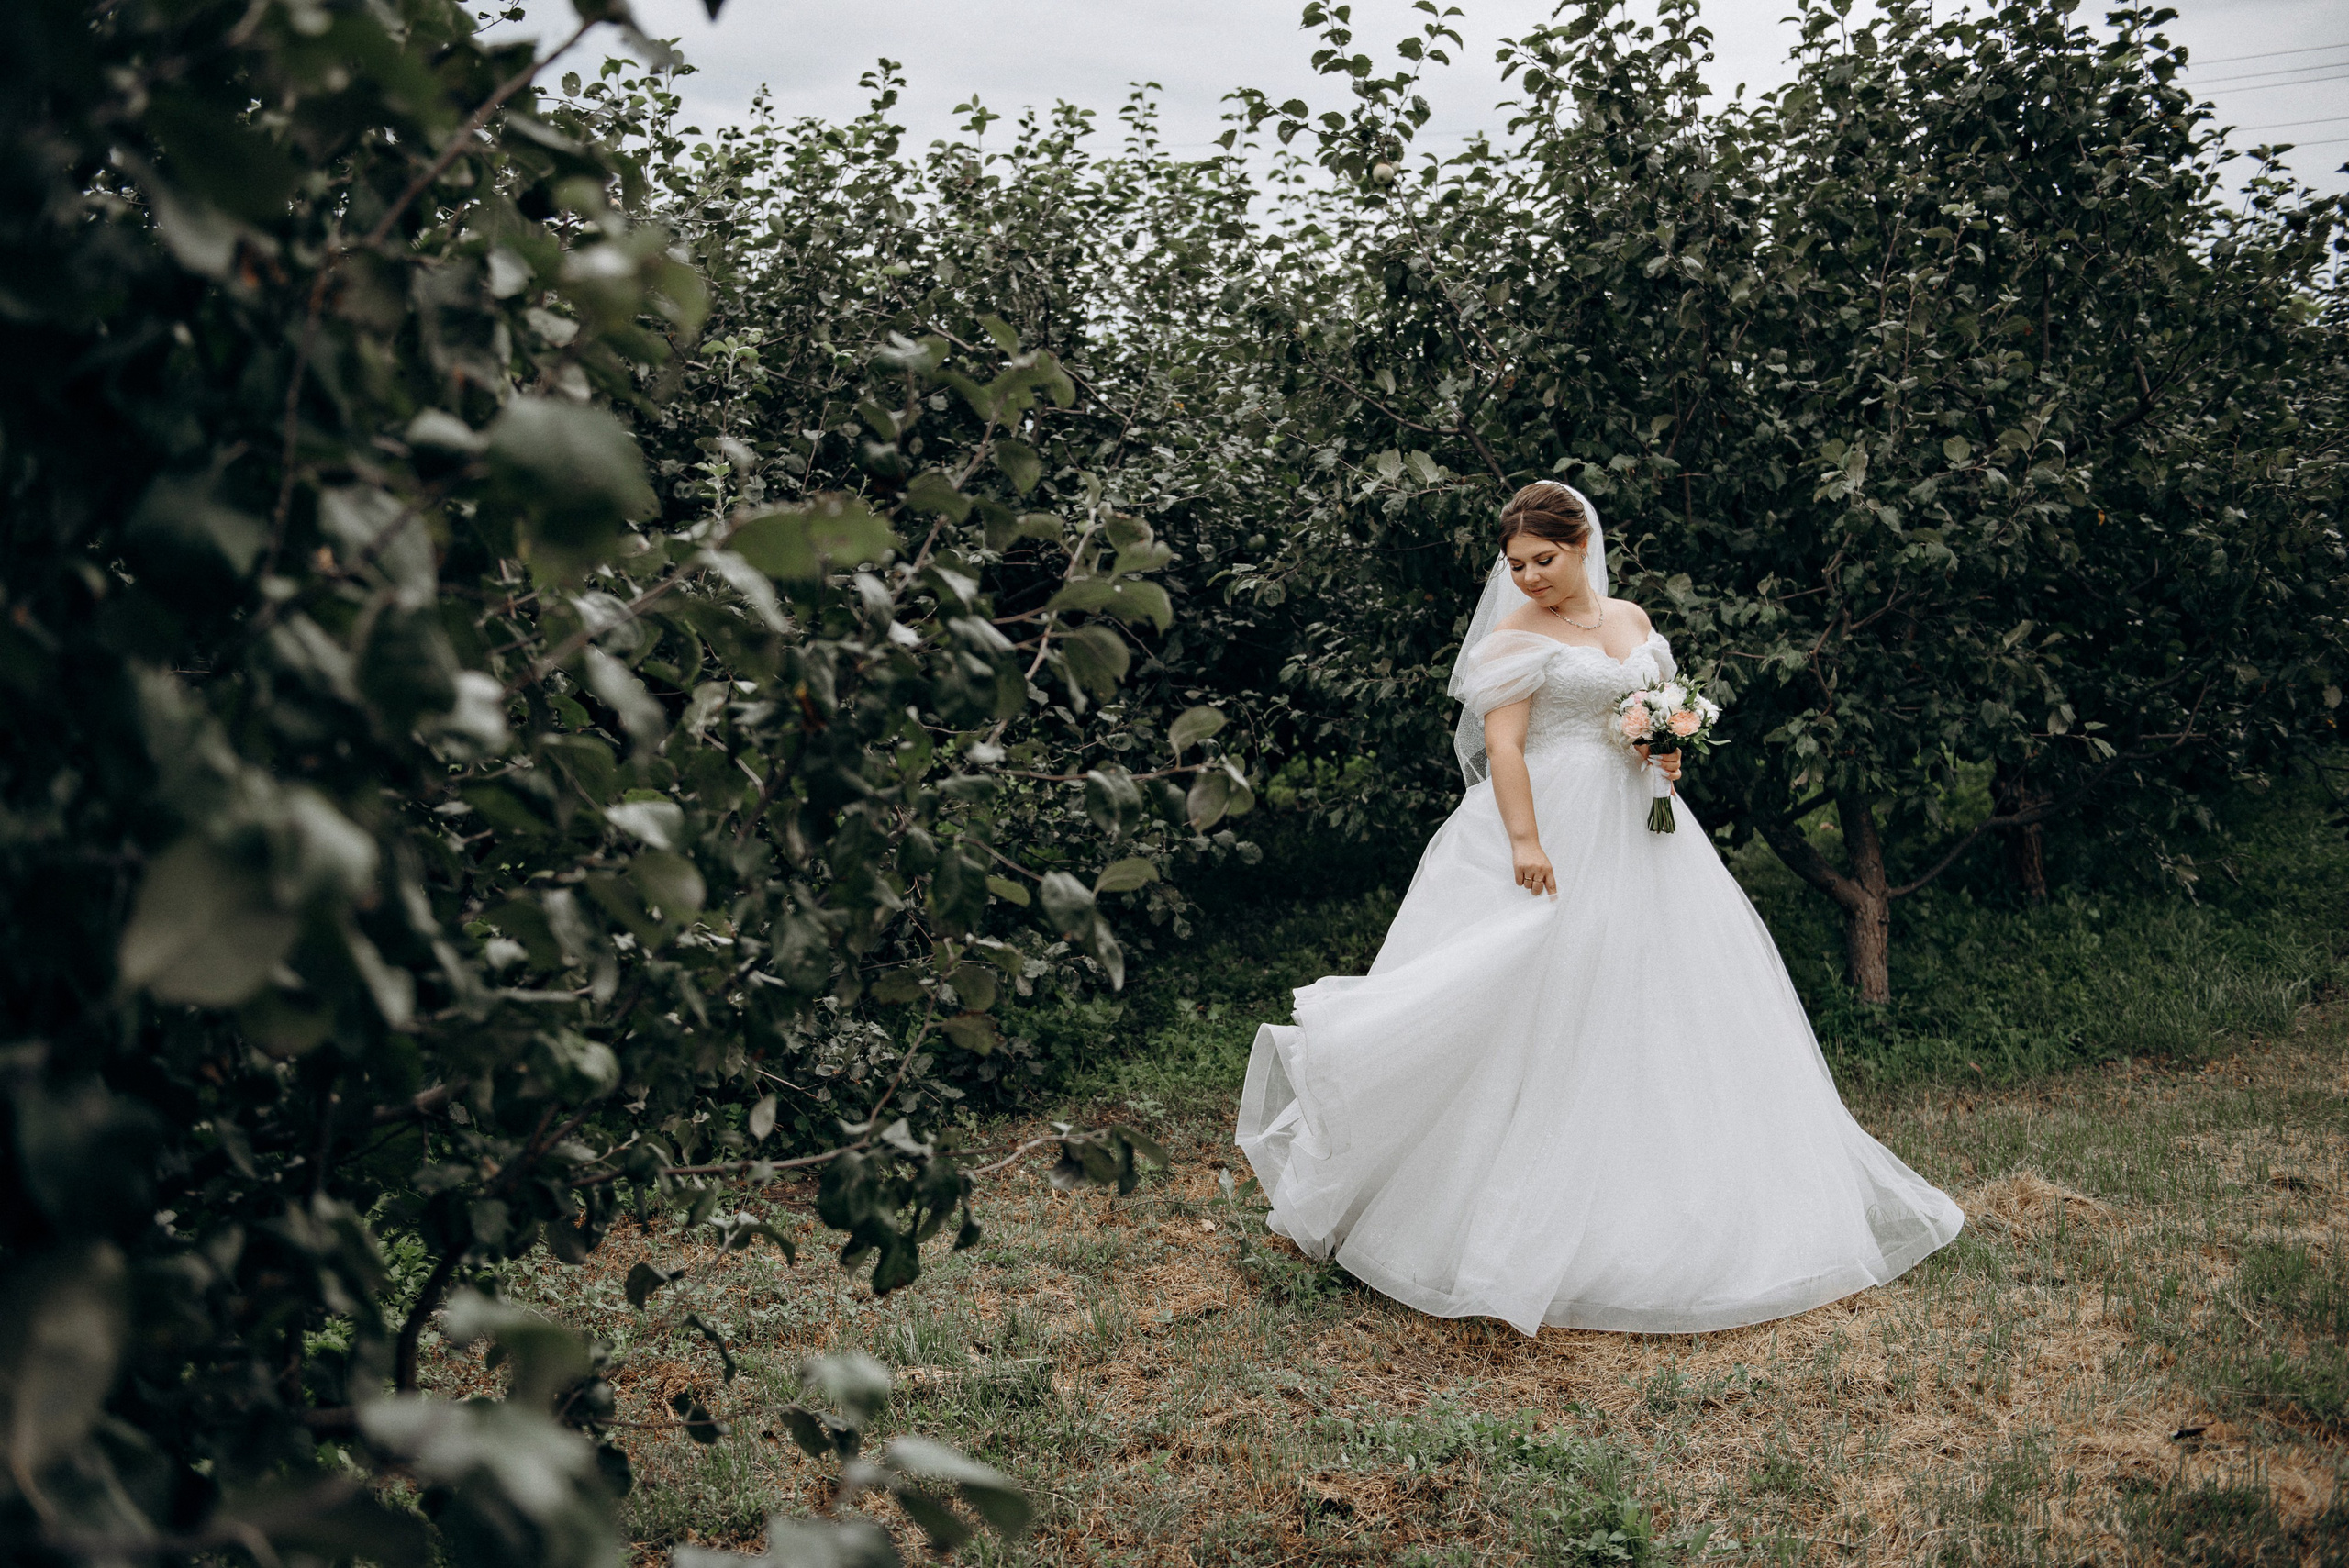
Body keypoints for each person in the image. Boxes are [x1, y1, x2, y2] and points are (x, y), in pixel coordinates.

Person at [1234, 480, 1963, 1335]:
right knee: (1531, 988)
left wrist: (1666, 746)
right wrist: (1525, 840)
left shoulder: (1632, 618)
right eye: (1515, 564)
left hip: (1643, 826)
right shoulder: (1514, 636)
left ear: (1582, 544)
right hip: (1551, 819)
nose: (1529, 576)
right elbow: (1503, 743)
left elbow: (1650, 704)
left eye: (1544, 559)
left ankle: (1673, 1192)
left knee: (1662, 993)